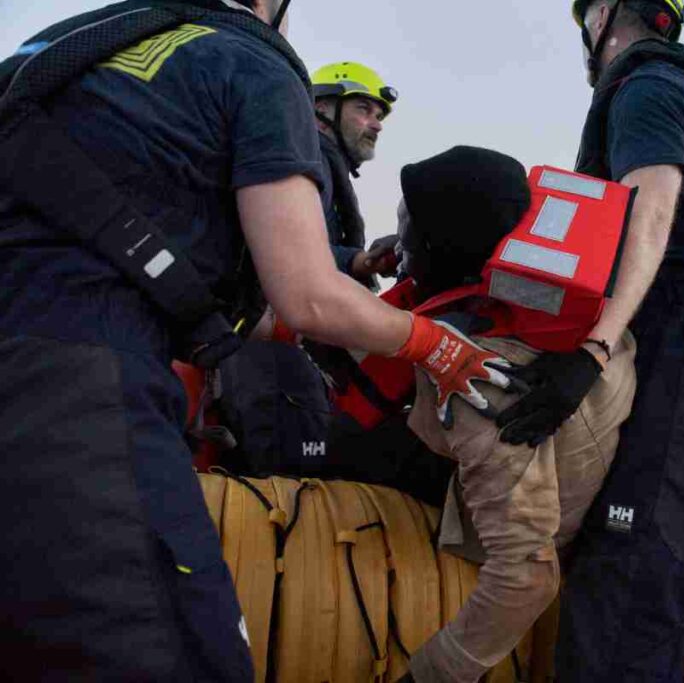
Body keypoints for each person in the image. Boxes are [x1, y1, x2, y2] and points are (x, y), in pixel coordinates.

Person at [0, 1, 511, 678]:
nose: (374, 123)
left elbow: (220, 294)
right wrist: (435, 344)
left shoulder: (71, 50)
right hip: (77, 379)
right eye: (363, 108)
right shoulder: (253, 63)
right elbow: (304, 293)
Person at [493, 1, 684, 679]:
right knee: (617, 591)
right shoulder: (682, 85)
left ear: (602, 14)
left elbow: (650, 214)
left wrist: (592, 352)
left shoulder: (647, 86)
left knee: (620, 607)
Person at [385, 146, 638, 683]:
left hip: (518, 512)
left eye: (410, 232)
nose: (399, 246)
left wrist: (430, 675)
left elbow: (526, 576)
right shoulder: (573, 323)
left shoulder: (481, 380)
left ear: (441, 247)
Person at [310, 61, 400, 287]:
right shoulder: (307, 161)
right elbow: (285, 246)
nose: (377, 126)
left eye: (378, 116)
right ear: (321, 111)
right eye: (363, 109)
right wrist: (359, 261)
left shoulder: (325, 165)